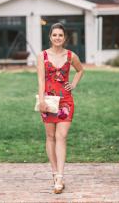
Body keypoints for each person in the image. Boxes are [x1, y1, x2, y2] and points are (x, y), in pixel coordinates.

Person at [36, 22, 84, 194]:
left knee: (61, 136)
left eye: (60, 35)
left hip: (65, 102)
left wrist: (74, 84)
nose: (57, 38)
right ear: (50, 37)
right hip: (48, 101)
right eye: (54, 35)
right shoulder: (42, 56)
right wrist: (41, 101)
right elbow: (41, 80)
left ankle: (60, 177)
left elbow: (80, 70)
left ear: (65, 38)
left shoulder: (71, 56)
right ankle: (55, 173)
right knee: (50, 136)